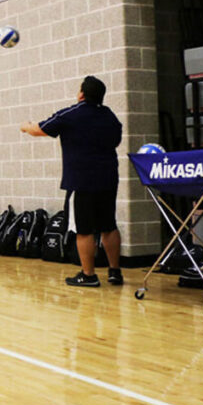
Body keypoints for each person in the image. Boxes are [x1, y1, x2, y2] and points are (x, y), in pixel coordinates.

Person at [21, 75, 123, 287]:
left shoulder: (71, 114)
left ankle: (88, 275)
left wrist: (25, 126)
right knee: (109, 226)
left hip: (82, 181)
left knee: (83, 229)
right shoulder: (110, 117)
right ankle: (115, 272)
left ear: (81, 94)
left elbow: (40, 129)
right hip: (108, 179)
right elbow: (116, 139)